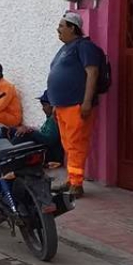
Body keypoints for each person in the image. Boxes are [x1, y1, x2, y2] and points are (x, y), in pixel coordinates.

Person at [47, 11, 102, 198]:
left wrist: (86, 102)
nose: (58, 29)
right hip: (63, 106)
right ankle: (71, 180)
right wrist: (55, 104)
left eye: (62, 26)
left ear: (73, 28)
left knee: (76, 144)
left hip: (77, 105)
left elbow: (92, 73)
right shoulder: (65, 48)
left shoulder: (84, 46)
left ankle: (77, 184)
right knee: (68, 144)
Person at [10, 91, 64, 167]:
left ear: (52, 106)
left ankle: (8, 155)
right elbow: (44, 132)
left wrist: (32, 132)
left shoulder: (54, 119)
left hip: (52, 154)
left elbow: (50, 140)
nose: (43, 108)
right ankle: (8, 152)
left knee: (25, 134)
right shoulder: (50, 118)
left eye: (45, 105)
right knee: (15, 130)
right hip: (45, 148)